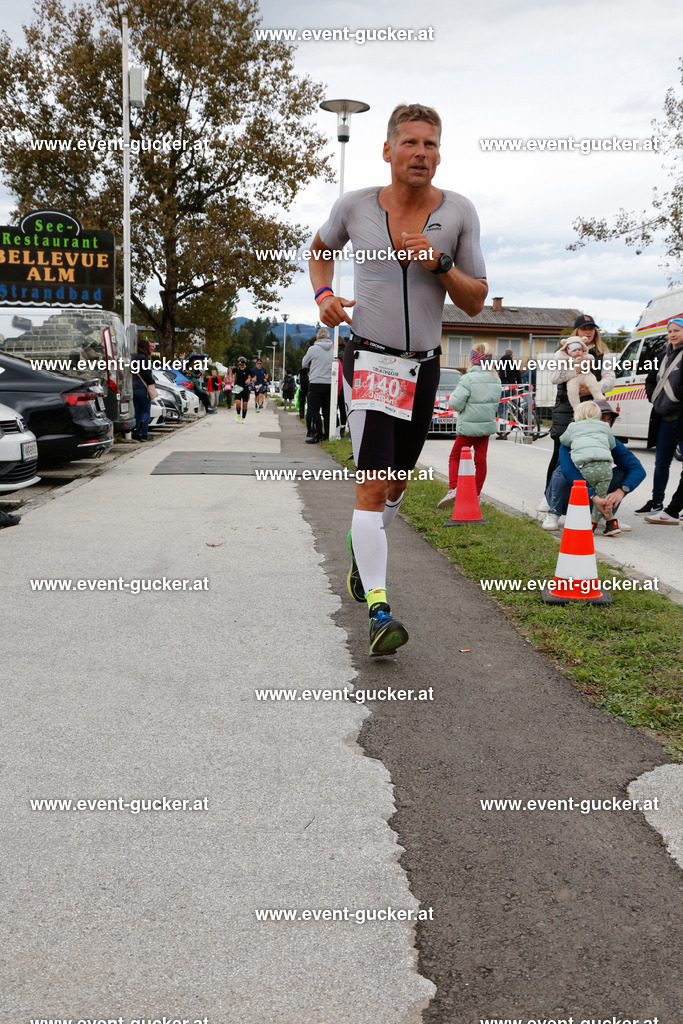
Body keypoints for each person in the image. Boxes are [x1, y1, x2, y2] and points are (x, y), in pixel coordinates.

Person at [309, 102, 487, 655]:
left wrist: (439, 263)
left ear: (440, 153)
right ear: (387, 150)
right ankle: (380, 610)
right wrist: (323, 296)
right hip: (369, 362)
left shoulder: (458, 212)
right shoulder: (356, 206)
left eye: (430, 144)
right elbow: (319, 251)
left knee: (396, 484)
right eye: (410, 143)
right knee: (372, 479)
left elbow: (477, 299)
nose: (420, 153)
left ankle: (364, 551)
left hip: (424, 367)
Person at [540, 314, 616, 507]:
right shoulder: (563, 353)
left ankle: (592, 500)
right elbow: (555, 377)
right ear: (577, 332)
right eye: (584, 328)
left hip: (593, 408)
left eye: (591, 328)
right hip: (567, 407)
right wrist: (575, 372)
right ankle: (549, 497)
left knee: (592, 453)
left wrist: (593, 386)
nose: (588, 331)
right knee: (560, 453)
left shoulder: (602, 354)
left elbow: (609, 379)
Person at [543, 399, 644, 535]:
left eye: (609, 419)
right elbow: (568, 471)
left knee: (623, 471)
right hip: (569, 497)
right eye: (602, 418)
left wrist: (621, 491)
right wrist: (594, 496)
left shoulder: (609, 439)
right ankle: (554, 513)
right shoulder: (571, 436)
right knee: (562, 471)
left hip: (596, 498)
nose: (606, 422)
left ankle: (603, 515)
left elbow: (638, 469)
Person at [436, 343, 501, 508]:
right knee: (480, 460)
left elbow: (456, 404)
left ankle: (453, 488)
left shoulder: (467, 378)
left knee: (455, 456)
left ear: (472, 359)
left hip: (469, 426)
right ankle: (476, 494)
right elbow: (495, 404)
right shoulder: (495, 379)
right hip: (486, 426)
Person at [636, 316, 683, 520]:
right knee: (661, 463)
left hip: (681, 416)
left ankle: (677, 506)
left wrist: (676, 395)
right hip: (663, 417)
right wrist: (654, 398)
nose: (672, 334)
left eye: (677, 331)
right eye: (670, 331)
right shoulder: (659, 354)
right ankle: (656, 502)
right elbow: (649, 379)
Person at [559, 401, 617, 531]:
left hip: (586, 467)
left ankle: (592, 525)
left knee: (598, 498)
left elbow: (564, 440)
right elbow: (612, 444)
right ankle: (610, 523)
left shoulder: (573, 426)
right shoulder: (605, 426)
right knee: (601, 496)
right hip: (606, 467)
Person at [301, 328, 334, 440]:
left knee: (314, 410)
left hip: (315, 382)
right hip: (329, 383)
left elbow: (304, 363)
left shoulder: (313, 349)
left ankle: (318, 434)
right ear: (328, 338)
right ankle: (327, 434)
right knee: (327, 411)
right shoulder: (333, 350)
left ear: (317, 338)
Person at [131, 337, 157, 441]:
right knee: (146, 411)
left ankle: (135, 432)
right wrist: (152, 382)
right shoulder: (143, 358)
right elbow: (146, 373)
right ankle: (144, 433)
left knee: (137, 411)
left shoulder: (133, 357)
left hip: (134, 387)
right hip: (143, 387)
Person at [496, 348, 522, 439]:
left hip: (503, 388)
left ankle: (503, 433)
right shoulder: (514, 364)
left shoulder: (499, 363)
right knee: (516, 405)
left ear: (504, 354)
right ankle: (520, 417)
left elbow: (496, 375)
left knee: (502, 410)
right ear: (512, 356)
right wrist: (520, 386)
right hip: (512, 387)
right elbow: (518, 377)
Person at [233, 357, 252, 421]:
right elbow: (231, 373)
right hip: (237, 387)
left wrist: (249, 379)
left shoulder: (247, 370)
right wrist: (231, 378)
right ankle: (238, 414)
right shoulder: (236, 369)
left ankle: (243, 418)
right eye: (240, 363)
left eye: (243, 363)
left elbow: (253, 377)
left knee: (245, 404)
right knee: (238, 402)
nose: (241, 365)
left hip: (245, 388)